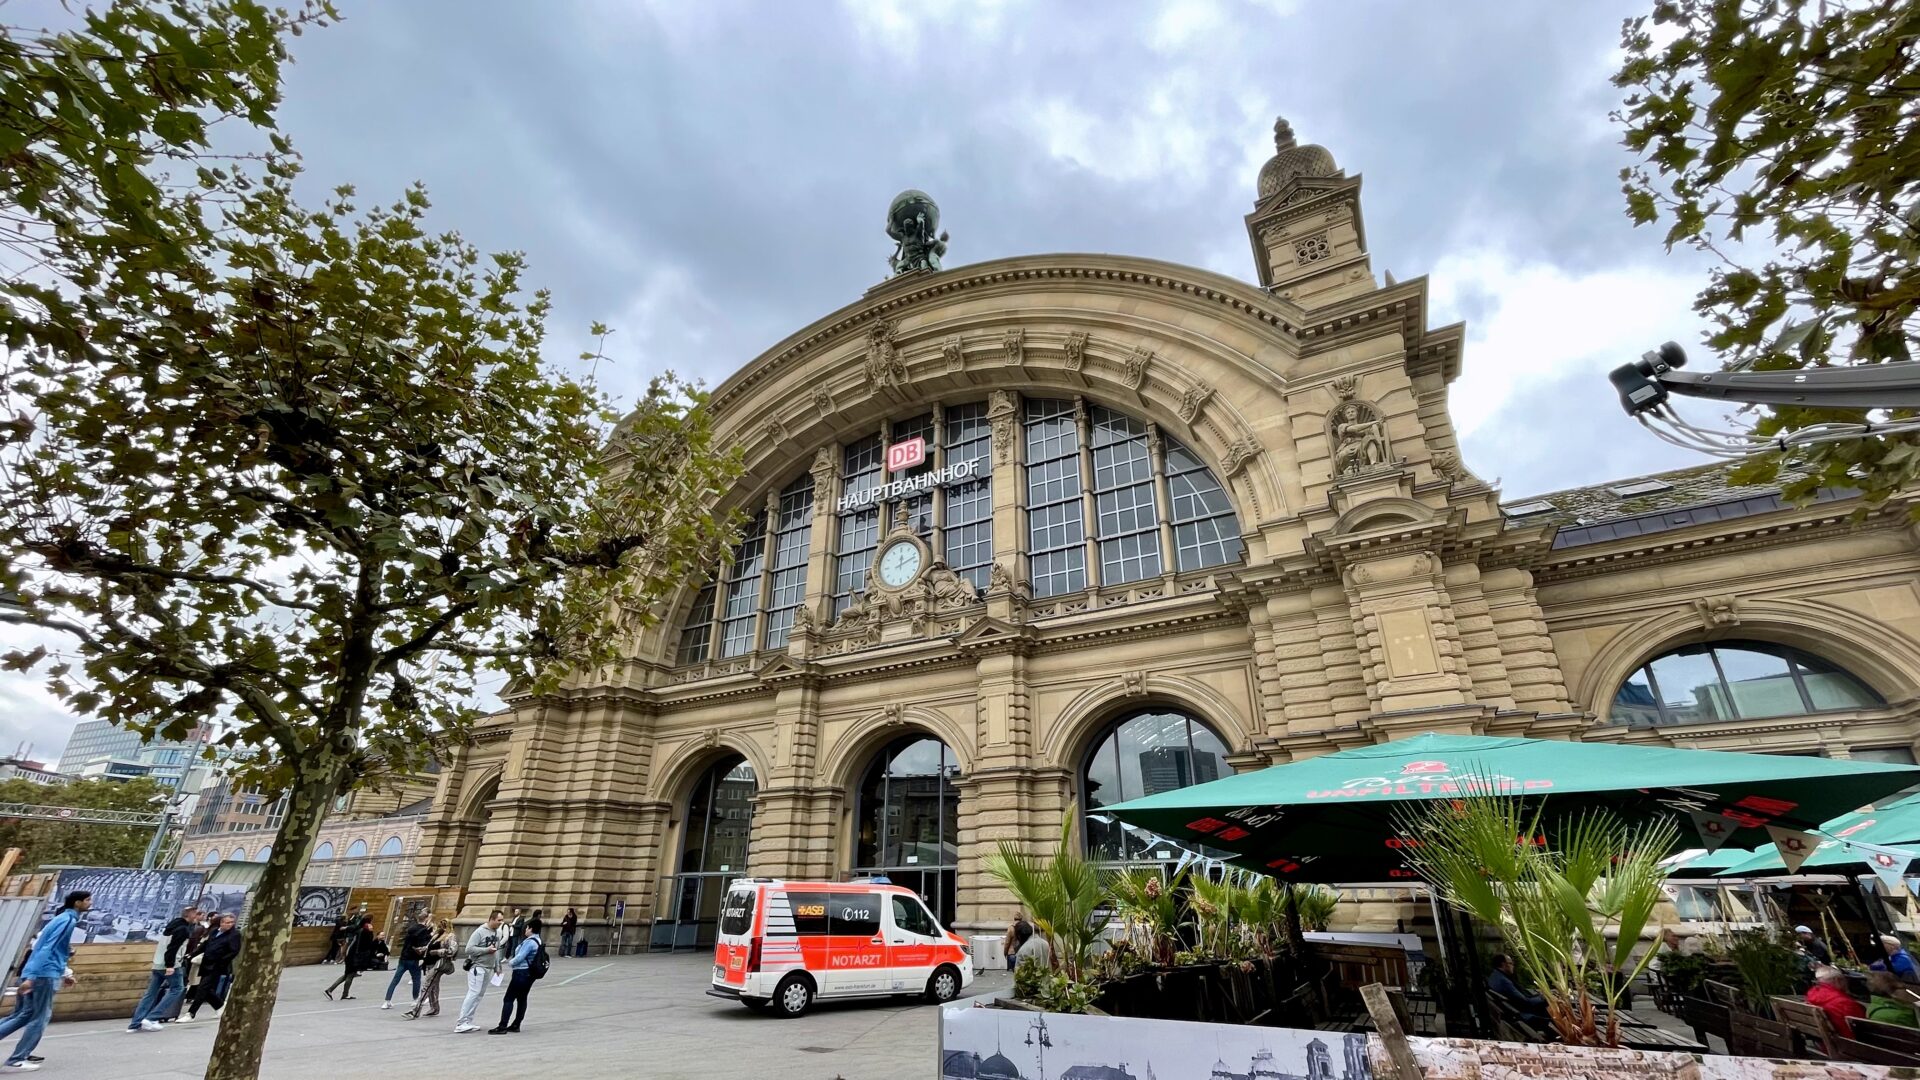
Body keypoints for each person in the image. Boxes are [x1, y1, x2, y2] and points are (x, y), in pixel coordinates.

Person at [0, 890, 89, 1071]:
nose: (90, 903)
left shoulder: (60, 919)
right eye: (88, 900)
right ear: (77, 903)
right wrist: (33, 977)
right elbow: (48, 948)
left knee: (24, 1014)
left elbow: (49, 948)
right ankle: (18, 1057)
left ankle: (21, 1054)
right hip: (43, 975)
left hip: (36, 971)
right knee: (40, 1017)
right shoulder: (68, 921)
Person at [126, 904, 198, 1033]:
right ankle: (152, 1017)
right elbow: (173, 948)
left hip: (157, 963)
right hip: (171, 964)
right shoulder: (183, 930)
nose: (197, 917)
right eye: (195, 914)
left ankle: (135, 1023)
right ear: (189, 916)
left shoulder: (173, 925)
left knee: (150, 994)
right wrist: (170, 965)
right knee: (177, 989)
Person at [454, 910, 507, 1034]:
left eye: (501, 920)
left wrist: (497, 966)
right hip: (478, 967)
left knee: (479, 995)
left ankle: (468, 1020)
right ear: (492, 919)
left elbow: (497, 950)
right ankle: (461, 1022)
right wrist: (486, 950)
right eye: (499, 920)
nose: (501, 923)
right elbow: (469, 949)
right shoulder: (479, 932)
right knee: (473, 993)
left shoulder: (497, 933)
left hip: (489, 968)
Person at [179, 915, 239, 1023]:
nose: (230, 925)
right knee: (206, 989)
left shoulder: (234, 935)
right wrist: (192, 954)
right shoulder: (215, 932)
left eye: (232, 922)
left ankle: (191, 1013)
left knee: (202, 988)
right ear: (221, 923)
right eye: (227, 922)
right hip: (206, 963)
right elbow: (205, 945)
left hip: (217, 965)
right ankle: (220, 1006)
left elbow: (233, 951)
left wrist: (221, 961)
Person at [489, 916, 543, 1035]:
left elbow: (520, 957)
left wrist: (510, 963)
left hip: (521, 973)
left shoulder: (529, 942)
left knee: (509, 998)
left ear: (531, 928)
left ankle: (502, 1025)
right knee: (522, 998)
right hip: (530, 974)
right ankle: (516, 1024)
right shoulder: (538, 940)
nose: (525, 930)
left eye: (527, 928)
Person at [404, 919, 457, 1020]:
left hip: (439, 964)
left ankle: (415, 1011)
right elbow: (429, 947)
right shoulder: (436, 935)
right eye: (440, 925)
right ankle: (435, 1008)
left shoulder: (450, 936)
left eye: (443, 925)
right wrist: (422, 949)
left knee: (427, 986)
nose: (440, 927)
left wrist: (437, 952)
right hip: (429, 963)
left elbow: (452, 951)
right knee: (433, 986)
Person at [383, 912, 433, 1010]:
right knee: (416, 979)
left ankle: (387, 1001)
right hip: (413, 958)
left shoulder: (411, 929)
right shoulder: (424, 930)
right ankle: (415, 1000)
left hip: (403, 957)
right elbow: (422, 945)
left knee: (395, 980)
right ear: (426, 919)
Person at [324, 916, 377, 1001]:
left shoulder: (359, 930)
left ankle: (333, 991)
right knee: (350, 975)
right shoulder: (364, 932)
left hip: (351, 955)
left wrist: (346, 927)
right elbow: (367, 945)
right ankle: (338, 993)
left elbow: (353, 927)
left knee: (347, 975)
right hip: (354, 956)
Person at [1807, 965, 1865, 1037]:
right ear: (1837, 980)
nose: (1846, 983)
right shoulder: (1845, 1003)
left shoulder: (1812, 996)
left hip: (1824, 1042)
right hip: (1849, 1044)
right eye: (1844, 979)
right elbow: (1864, 1028)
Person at [1487, 954, 1549, 1020]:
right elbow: (1526, 1002)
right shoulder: (1504, 981)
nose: (1513, 966)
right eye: (1511, 963)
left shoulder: (1494, 976)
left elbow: (1518, 994)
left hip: (1515, 1008)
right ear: (1503, 965)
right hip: (1526, 1013)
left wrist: (1538, 993)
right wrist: (1544, 997)